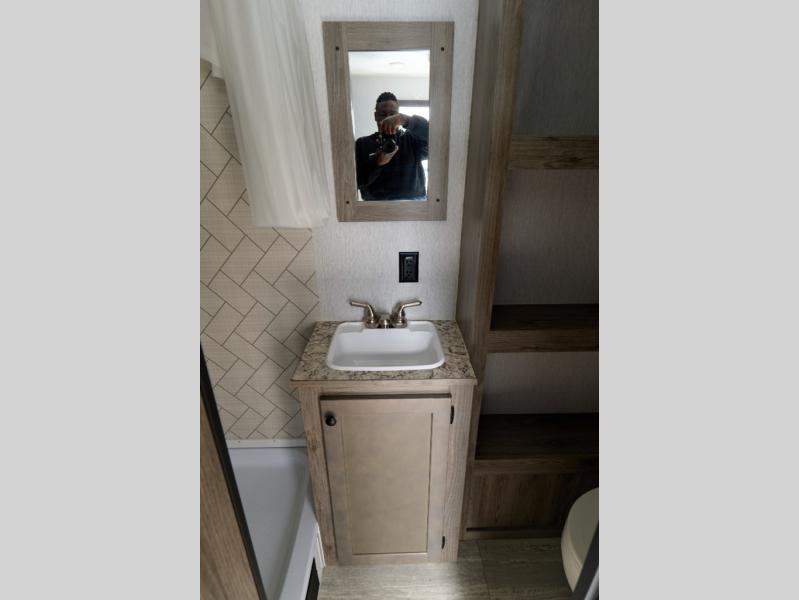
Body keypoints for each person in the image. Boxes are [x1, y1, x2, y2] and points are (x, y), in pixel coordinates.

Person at [354, 92, 429, 201]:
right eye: (383, 114)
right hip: (375, 206)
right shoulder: (362, 143)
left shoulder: (412, 139)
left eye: (393, 114)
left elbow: (435, 138)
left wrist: (405, 119)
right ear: (375, 116)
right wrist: (377, 163)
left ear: (398, 114)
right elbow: (356, 181)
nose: (387, 118)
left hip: (413, 205)